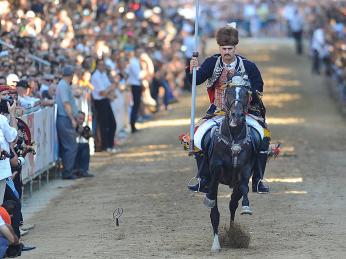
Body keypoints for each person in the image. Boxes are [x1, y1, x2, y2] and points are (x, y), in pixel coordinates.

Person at [187, 25, 270, 193]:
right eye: (223, 48)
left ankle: (258, 180)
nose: (226, 52)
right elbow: (195, 82)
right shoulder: (211, 63)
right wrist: (192, 69)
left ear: (235, 48)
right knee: (196, 136)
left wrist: (246, 96)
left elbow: (259, 88)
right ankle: (203, 178)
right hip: (217, 110)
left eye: (230, 48)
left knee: (263, 136)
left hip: (244, 111)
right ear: (219, 48)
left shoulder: (248, 66)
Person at [56, 65, 79, 180]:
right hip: (64, 118)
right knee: (70, 146)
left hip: (64, 118)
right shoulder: (64, 85)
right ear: (71, 75)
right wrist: (72, 118)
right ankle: (67, 172)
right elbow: (66, 103)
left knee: (69, 146)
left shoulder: (63, 84)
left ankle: (68, 170)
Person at [91, 59, 117, 152]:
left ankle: (110, 144)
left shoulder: (103, 74)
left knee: (112, 124)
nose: (103, 66)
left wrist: (109, 91)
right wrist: (110, 90)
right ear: (97, 66)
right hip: (100, 102)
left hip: (105, 100)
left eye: (103, 64)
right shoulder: (96, 76)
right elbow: (102, 92)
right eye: (101, 65)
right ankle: (106, 145)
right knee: (104, 124)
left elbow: (108, 87)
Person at [74, 111, 93, 177]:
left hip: (80, 145)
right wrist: (78, 132)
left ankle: (83, 170)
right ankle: (77, 170)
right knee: (83, 147)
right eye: (80, 118)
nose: (81, 121)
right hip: (72, 146)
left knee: (85, 146)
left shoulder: (84, 127)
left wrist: (87, 133)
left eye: (83, 119)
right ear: (76, 118)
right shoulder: (71, 124)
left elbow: (89, 136)